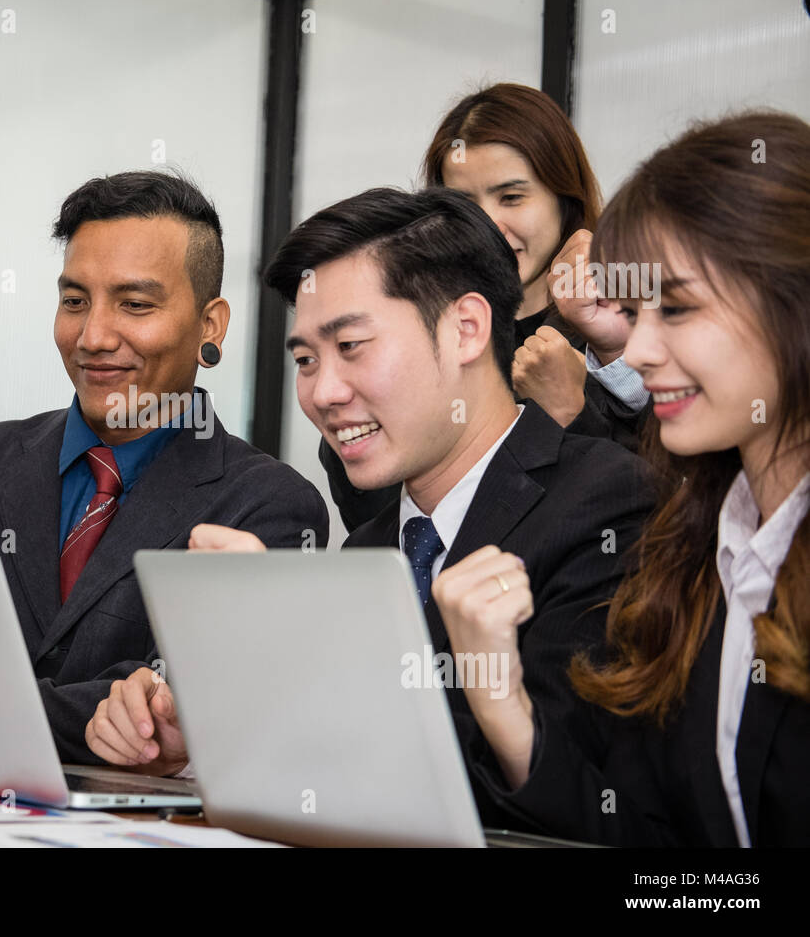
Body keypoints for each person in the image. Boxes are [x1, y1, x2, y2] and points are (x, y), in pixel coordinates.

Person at [86, 187, 652, 812]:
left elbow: (585, 800)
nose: (323, 392)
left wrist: (302, 651)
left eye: (351, 346)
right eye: (305, 359)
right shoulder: (370, 546)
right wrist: (199, 743)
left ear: (466, 329)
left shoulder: (610, 505)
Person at [0, 171, 328, 763]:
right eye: (74, 301)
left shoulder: (267, 504)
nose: (94, 336)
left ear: (211, 325)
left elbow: (168, 702)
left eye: (134, 304)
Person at [441, 111, 810, 846]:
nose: (637, 349)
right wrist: (500, 697)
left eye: (676, 308)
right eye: (636, 312)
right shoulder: (695, 550)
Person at [323, 84, 650, 531]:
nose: (490, 226)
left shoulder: (624, 312)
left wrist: (589, 391)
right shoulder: (412, 331)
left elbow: (659, 508)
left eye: (512, 197)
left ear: (564, 198)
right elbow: (377, 518)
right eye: (465, 204)